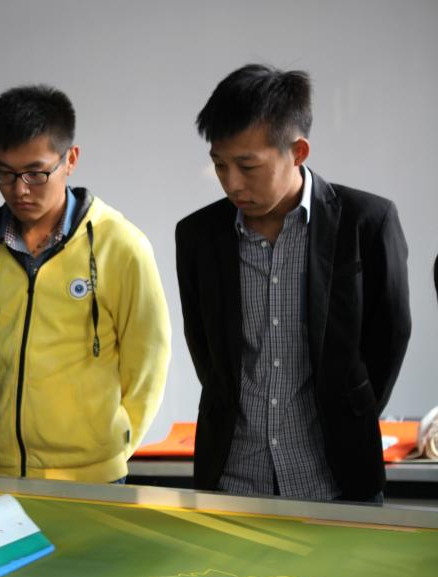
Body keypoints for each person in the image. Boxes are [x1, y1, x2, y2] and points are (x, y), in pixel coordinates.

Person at [175, 64, 411, 502]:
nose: (231, 183)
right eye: (220, 165)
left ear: (298, 151)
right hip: (233, 479)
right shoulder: (197, 236)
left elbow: (389, 336)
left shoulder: (367, 222)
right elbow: (205, 349)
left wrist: (352, 412)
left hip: (337, 481)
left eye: (248, 166)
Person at [0, 85, 170, 483]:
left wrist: (111, 446)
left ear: (70, 160)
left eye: (36, 173)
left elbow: (148, 360)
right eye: (4, 172)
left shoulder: (121, 245)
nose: (19, 189)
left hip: (91, 474)